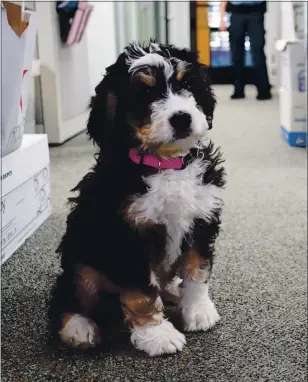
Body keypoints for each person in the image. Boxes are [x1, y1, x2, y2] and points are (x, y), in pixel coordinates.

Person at [219, 1, 272, 100]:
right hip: (236, 13)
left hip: (256, 12)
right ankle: (238, 90)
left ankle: (264, 90)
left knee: (258, 51)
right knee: (236, 53)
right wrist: (222, 19)